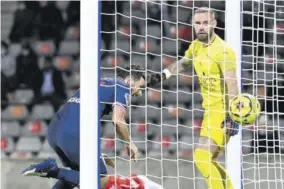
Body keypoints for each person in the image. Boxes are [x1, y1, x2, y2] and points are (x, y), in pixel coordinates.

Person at [147, 7, 239, 189]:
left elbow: (232, 84)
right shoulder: (195, 46)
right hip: (209, 112)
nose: (201, 27)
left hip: (222, 112)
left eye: (206, 23)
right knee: (209, 159)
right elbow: (183, 64)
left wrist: (231, 116)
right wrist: (162, 75)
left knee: (202, 157)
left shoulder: (224, 51)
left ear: (214, 24)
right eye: (198, 23)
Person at [21, 65, 145, 189]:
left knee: (77, 176)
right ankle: (52, 170)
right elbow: (117, 120)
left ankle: (54, 171)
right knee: (100, 179)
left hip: (55, 130)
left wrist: (97, 153)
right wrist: (129, 143)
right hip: (73, 133)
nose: (140, 93)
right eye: (140, 87)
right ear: (129, 80)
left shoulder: (101, 82)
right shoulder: (122, 87)